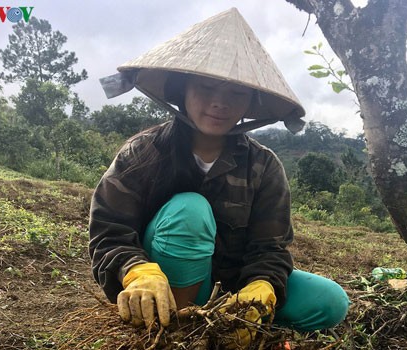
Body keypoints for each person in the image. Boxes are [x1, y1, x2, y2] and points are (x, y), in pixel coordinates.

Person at [90, 7, 349, 349]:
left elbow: (270, 249)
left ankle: (230, 323)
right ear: (182, 89)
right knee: (189, 210)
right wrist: (138, 271)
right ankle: (177, 330)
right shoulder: (143, 153)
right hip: (165, 285)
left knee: (330, 301)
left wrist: (262, 288)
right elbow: (109, 234)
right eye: (206, 87)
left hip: (230, 288)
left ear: (250, 103)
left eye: (235, 94)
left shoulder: (264, 166)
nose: (219, 103)